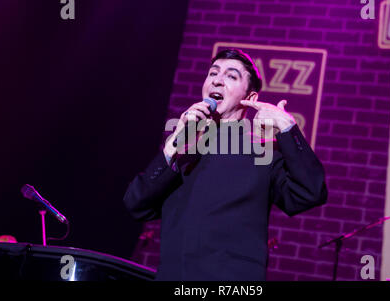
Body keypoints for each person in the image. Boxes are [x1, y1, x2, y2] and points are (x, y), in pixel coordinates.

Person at [123, 49, 328, 281]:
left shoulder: (264, 151)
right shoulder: (185, 148)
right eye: (213, 73)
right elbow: (136, 204)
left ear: (249, 98)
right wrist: (173, 145)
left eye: (231, 76)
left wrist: (288, 128)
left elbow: (309, 193)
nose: (217, 80)